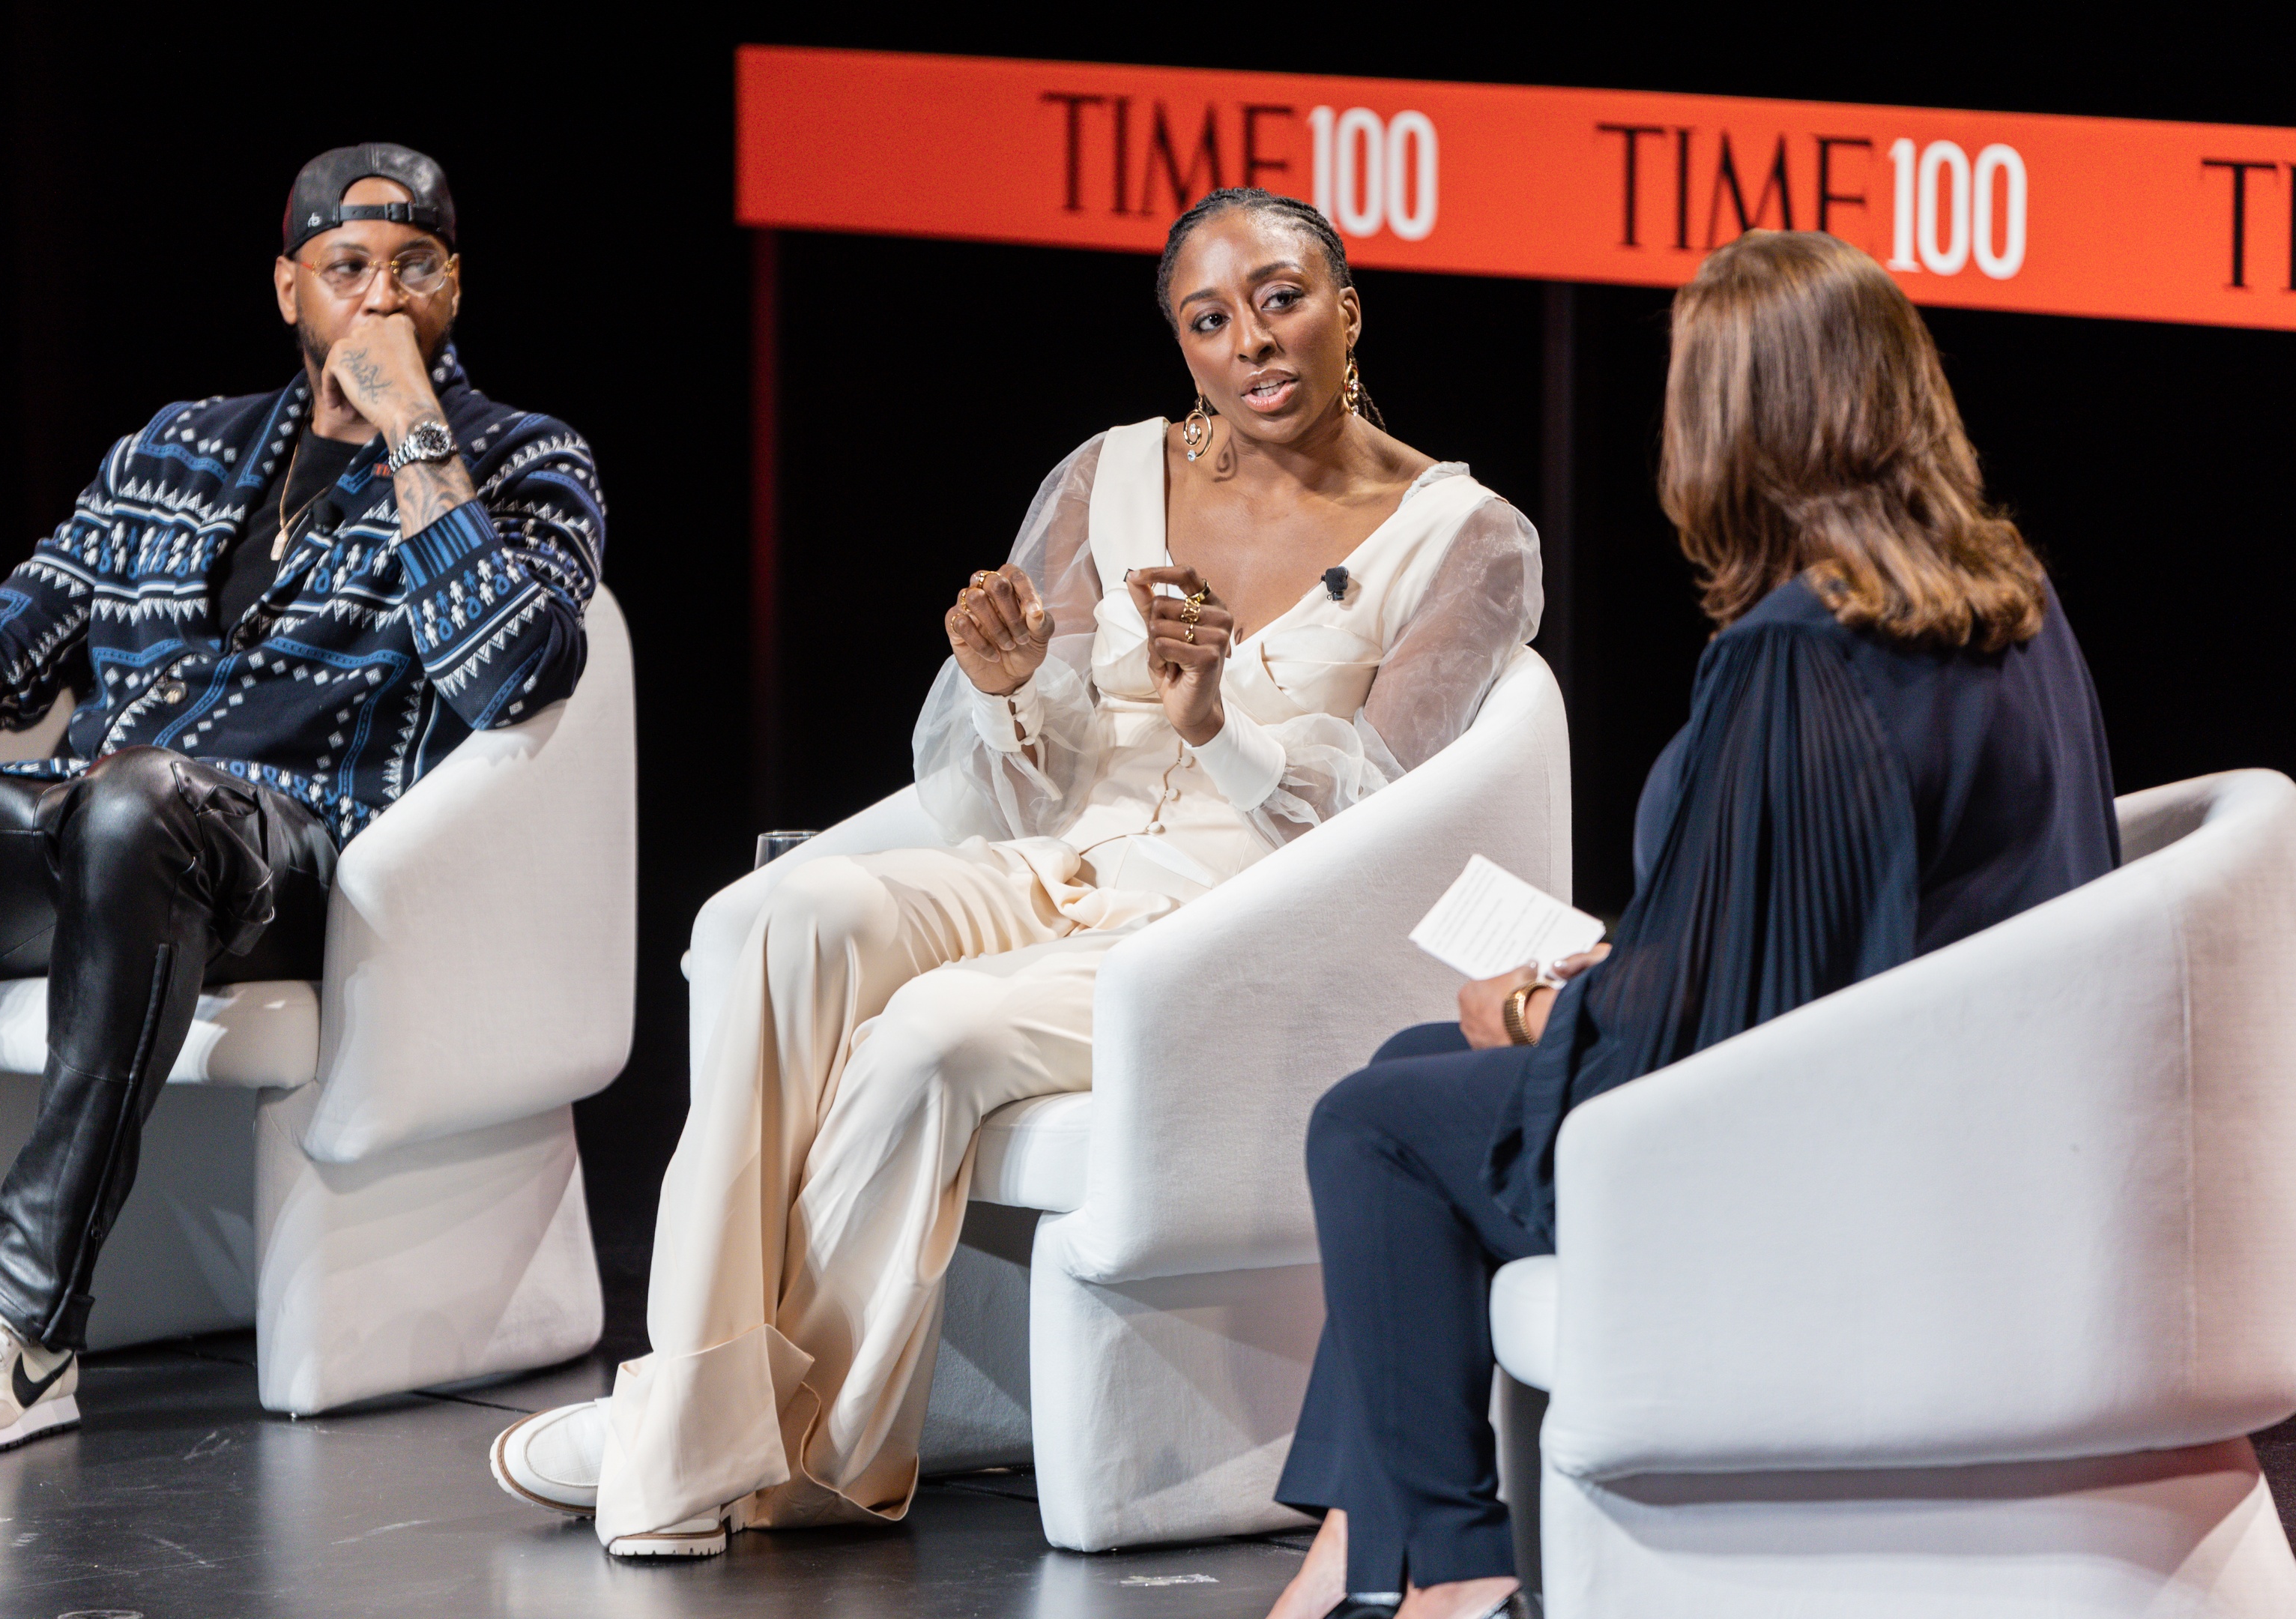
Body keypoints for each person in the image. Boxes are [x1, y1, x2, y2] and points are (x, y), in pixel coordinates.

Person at [488, 187, 1543, 1557]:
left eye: (1281, 299)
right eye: (1208, 319)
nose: (1252, 344)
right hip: (1052, 867)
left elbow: (1378, 830)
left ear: (1347, 307)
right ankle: (702, 1414)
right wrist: (1007, 690)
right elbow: (1015, 786)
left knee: (931, 1033)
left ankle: (692, 1447)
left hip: (1218, 930)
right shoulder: (1111, 473)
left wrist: (1218, 724)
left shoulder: (1464, 535)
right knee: (781, 918)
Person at [0, 143, 605, 1457]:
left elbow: (513, 671)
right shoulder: (177, 446)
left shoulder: (524, 462)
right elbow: (39, 609)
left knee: (138, 801)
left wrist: (414, 435)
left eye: (415, 270)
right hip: (80, 820)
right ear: (291, 289)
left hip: (279, 858)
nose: (380, 300)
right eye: (348, 269)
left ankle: (34, 1321)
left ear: (457, 288)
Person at [1262, 229, 2124, 1619]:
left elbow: (1737, 1029)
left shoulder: (1799, 651)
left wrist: (1545, 1013)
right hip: (1971, 1122)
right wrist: (1638, 958)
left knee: (1367, 1126)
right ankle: (1375, 1533)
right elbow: (1848, 924)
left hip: (1819, 1171)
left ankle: (1453, 1566)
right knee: (1411, 1065)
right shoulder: (2010, 602)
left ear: (1732, 428)